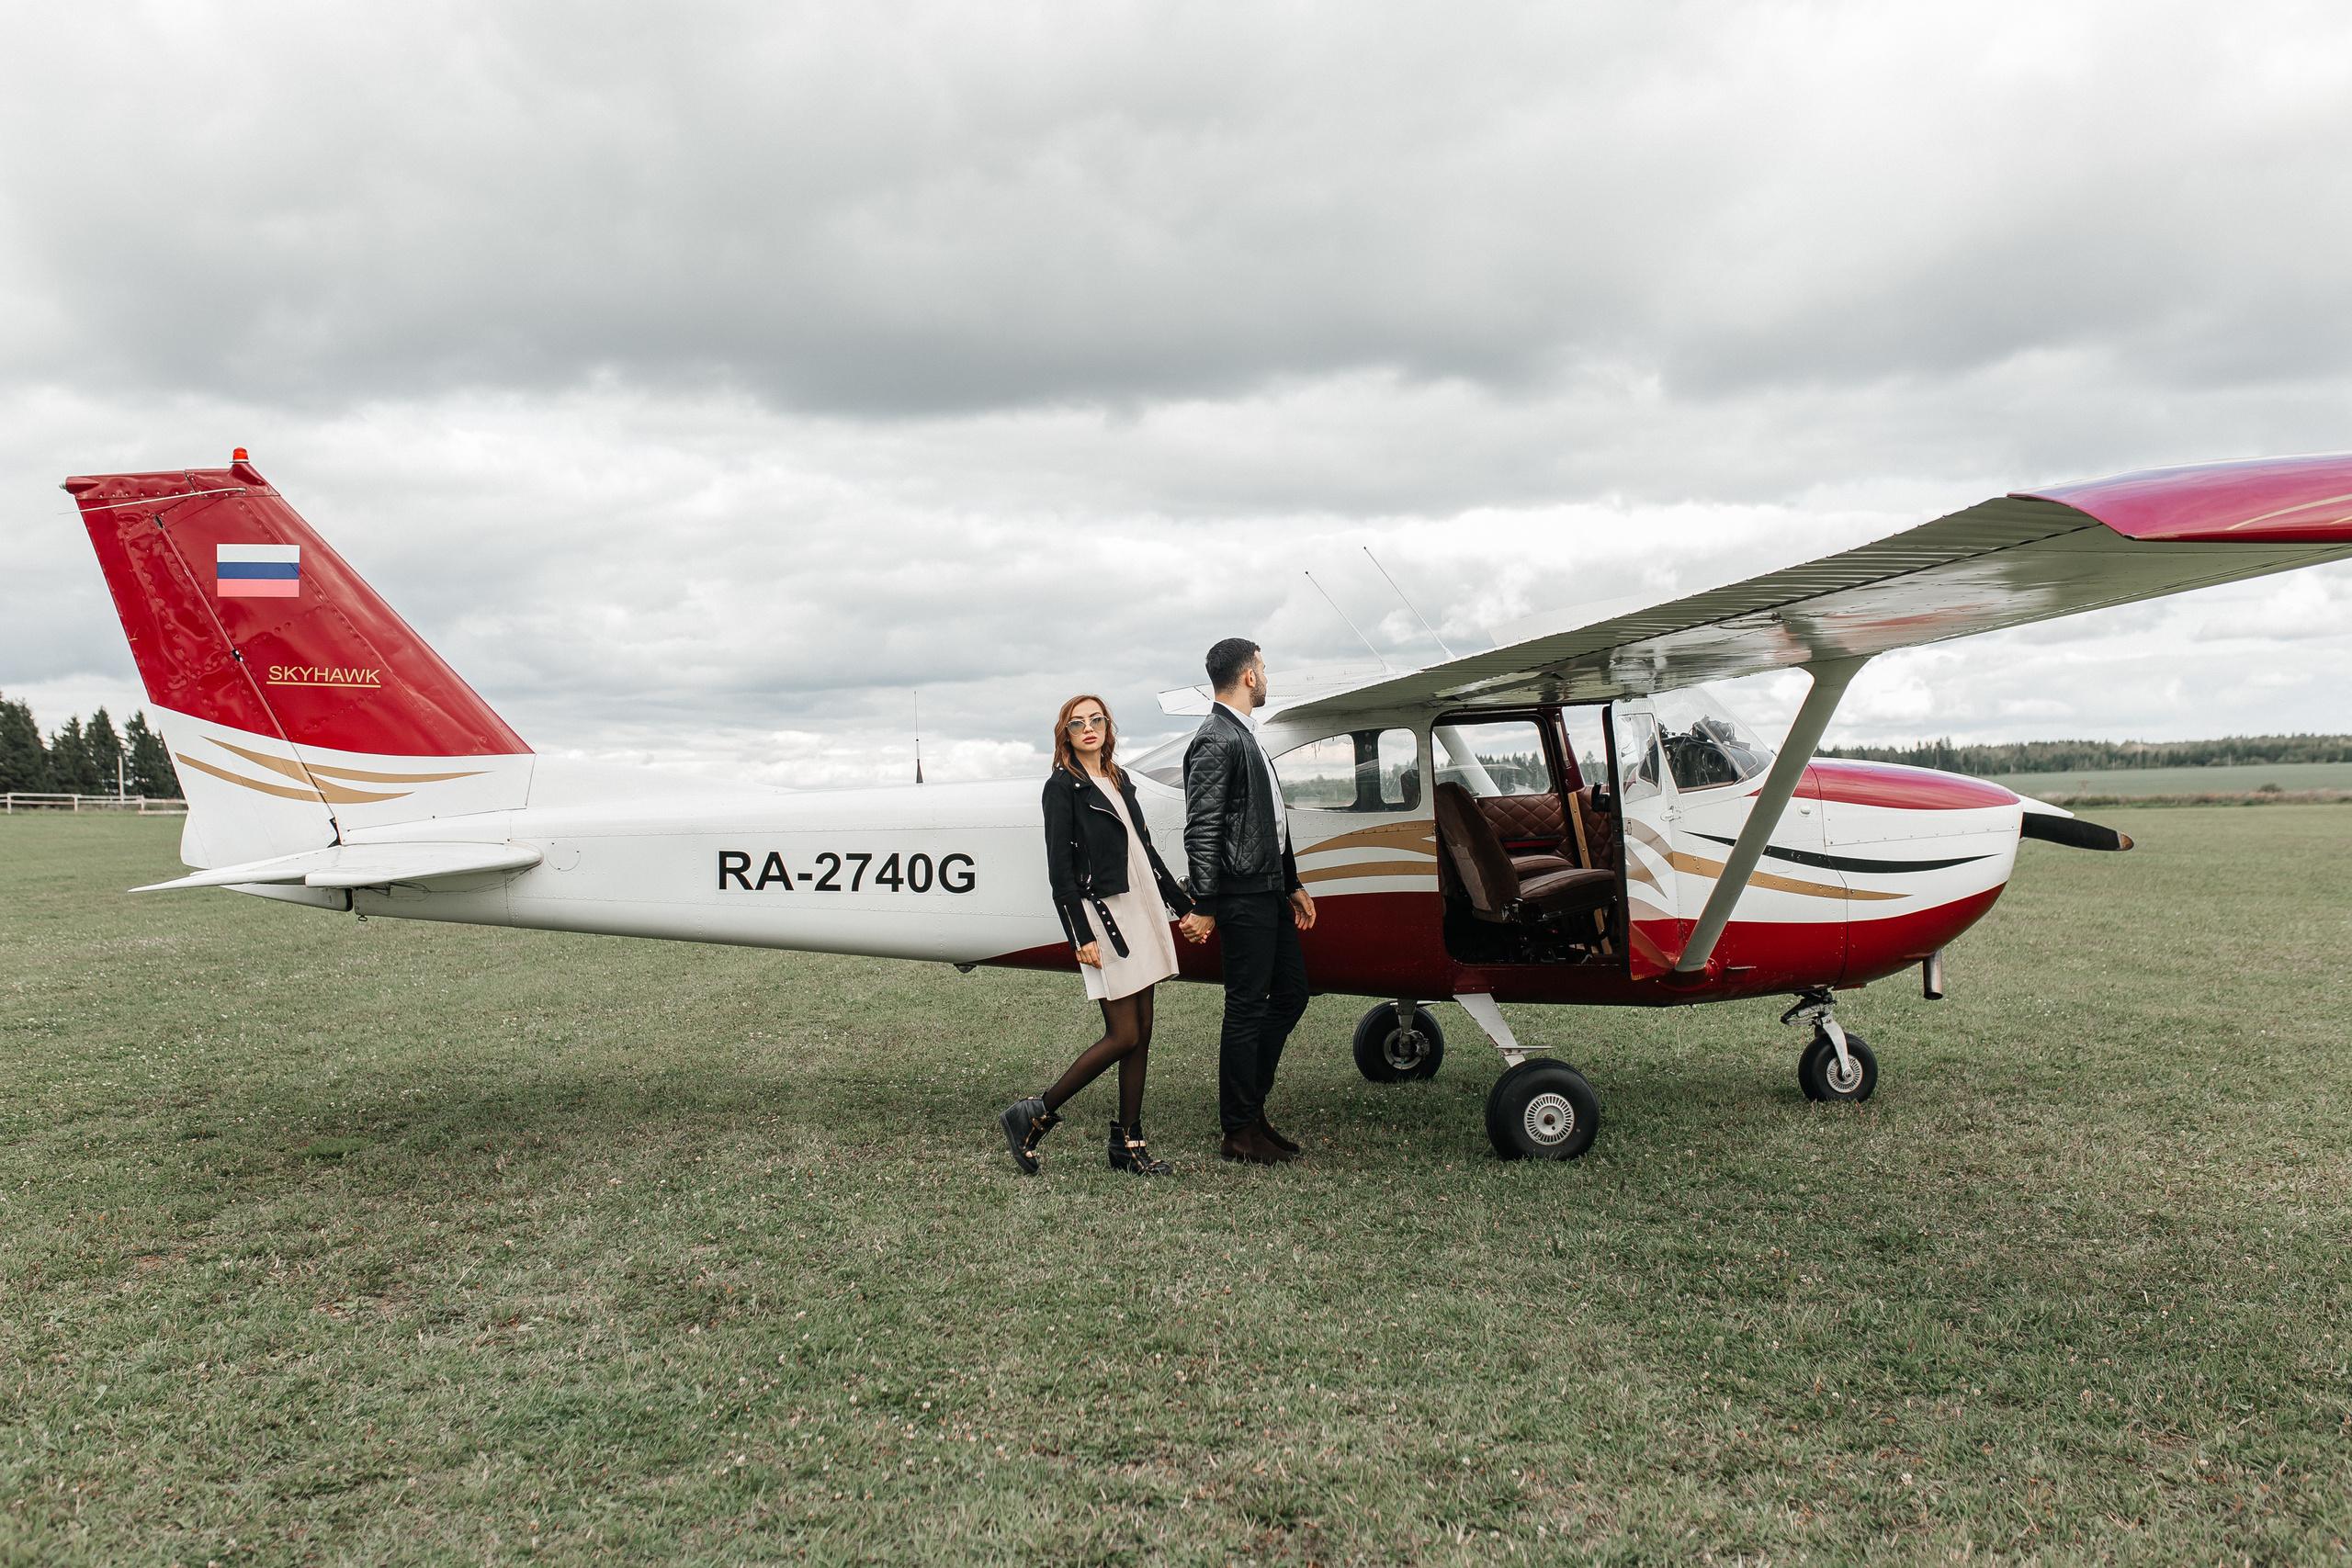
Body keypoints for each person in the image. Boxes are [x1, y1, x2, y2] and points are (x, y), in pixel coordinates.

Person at [1000, 694, 1196, 1176]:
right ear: (1065, 733)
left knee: (1143, 1032)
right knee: (1123, 1033)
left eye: (1097, 720)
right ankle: (1033, 1113)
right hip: (1104, 915)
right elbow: (1060, 873)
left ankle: (1128, 1143)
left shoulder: (1119, 779)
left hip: (1141, 904)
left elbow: (1145, 852)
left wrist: (1185, 906)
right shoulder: (1061, 788)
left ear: (1109, 727)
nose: (1089, 728)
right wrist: (1079, 934)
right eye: (1077, 722)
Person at [1175, 638, 1317, 1165]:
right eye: (1263, 665)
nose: (1266, 671)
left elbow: (1268, 820)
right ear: (1250, 677)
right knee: (1245, 1008)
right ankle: (1238, 1131)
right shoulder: (1216, 739)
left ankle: (1251, 1110)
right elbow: (1203, 828)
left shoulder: (1242, 734)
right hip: (1239, 895)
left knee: (1293, 994)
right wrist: (1206, 902)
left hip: (1268, 889)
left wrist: (1291, 881)